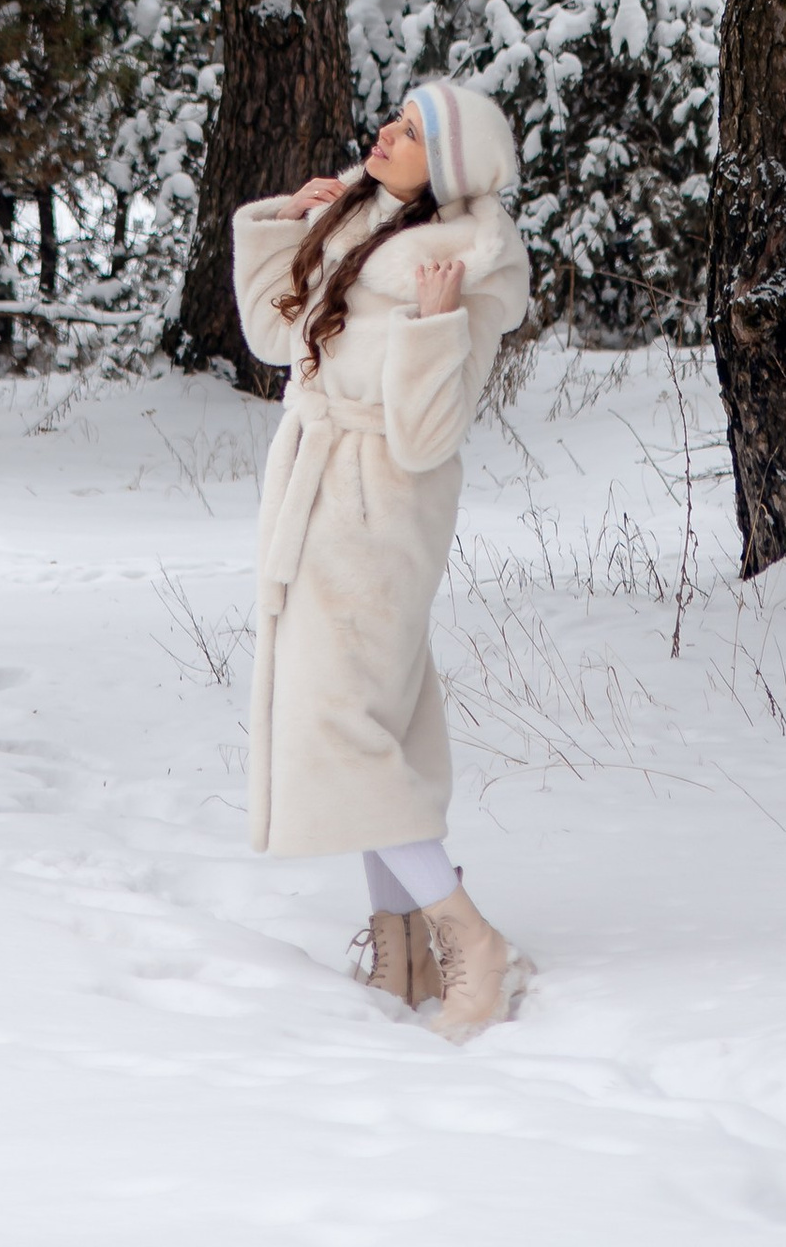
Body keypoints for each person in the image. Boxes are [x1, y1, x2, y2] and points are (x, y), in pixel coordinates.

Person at [231, 77, 534, 1037]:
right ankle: (404, 956)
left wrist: (438, 326)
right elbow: (275, 336)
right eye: (395, 119)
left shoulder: (459, 268)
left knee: (343, 725)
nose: (386, 134)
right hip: (319, 494)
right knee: (376, 722)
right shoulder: (360, 226)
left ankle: (470, 939)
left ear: (445, 169)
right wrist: (292, 224)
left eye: (411, 132)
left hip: (381, 511)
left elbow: (427, 437)